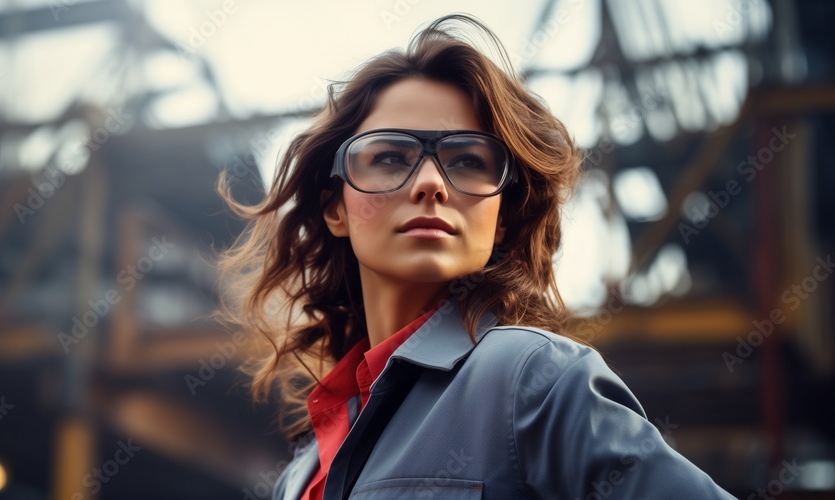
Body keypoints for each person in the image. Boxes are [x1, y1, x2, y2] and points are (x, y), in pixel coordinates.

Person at [213, 13, 737, 500]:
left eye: (466, 160)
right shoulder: (301, 473)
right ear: (335, 209)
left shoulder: (536, 381)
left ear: (502, 215)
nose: (430, 184)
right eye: (390, 156)